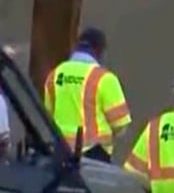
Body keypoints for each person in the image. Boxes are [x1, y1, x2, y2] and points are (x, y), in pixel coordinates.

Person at [42, 27, 133, 163]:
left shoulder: (55, 74)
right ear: (99, 51)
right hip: (94, 155)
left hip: (59, 151)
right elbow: (120, 125)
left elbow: (47, 113)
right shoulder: (105, 79)